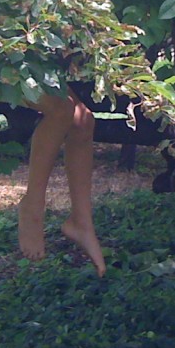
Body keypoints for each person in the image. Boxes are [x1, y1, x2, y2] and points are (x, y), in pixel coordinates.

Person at [17, 88, 106, 277]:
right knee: (61, 108)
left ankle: (81, 222)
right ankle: (32, 207)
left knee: (83, 122)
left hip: (32, 61)